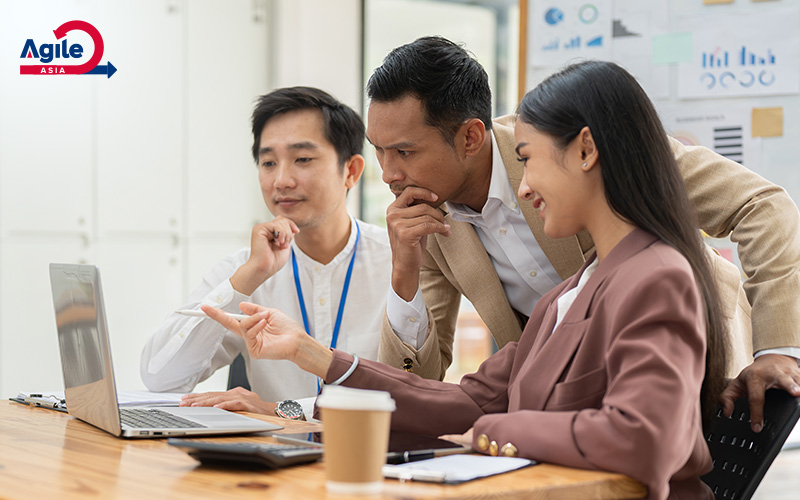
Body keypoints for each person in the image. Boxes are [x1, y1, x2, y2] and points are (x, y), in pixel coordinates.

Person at [203, 60, 728, 499]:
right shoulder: (566, 295)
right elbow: (468, 401)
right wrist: (308, 356)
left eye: (528, 160)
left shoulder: (655, 275)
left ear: (586, 151)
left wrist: (497, 431)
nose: (524, 189)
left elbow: (646, 438)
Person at [368, 36, 800, 430]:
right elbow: (417, 386)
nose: (388, 173)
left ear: (470, 137)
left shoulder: (572, 145)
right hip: (573, 405)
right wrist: (404, 276)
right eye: (378, 151)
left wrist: (777, 348)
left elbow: (761, 205)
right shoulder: (424, 219)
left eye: (404, 151)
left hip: (694, 370)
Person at [140, 87, 392, 419]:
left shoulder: (396, 262)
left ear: (351, 171)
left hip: (376, 460)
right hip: (272, 463)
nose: (281, 180)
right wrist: (248, 277)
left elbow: (411, 389)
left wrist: (280, 410)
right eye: (268, 162)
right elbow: (160, 378)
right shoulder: (247, 267)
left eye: (302, 159)